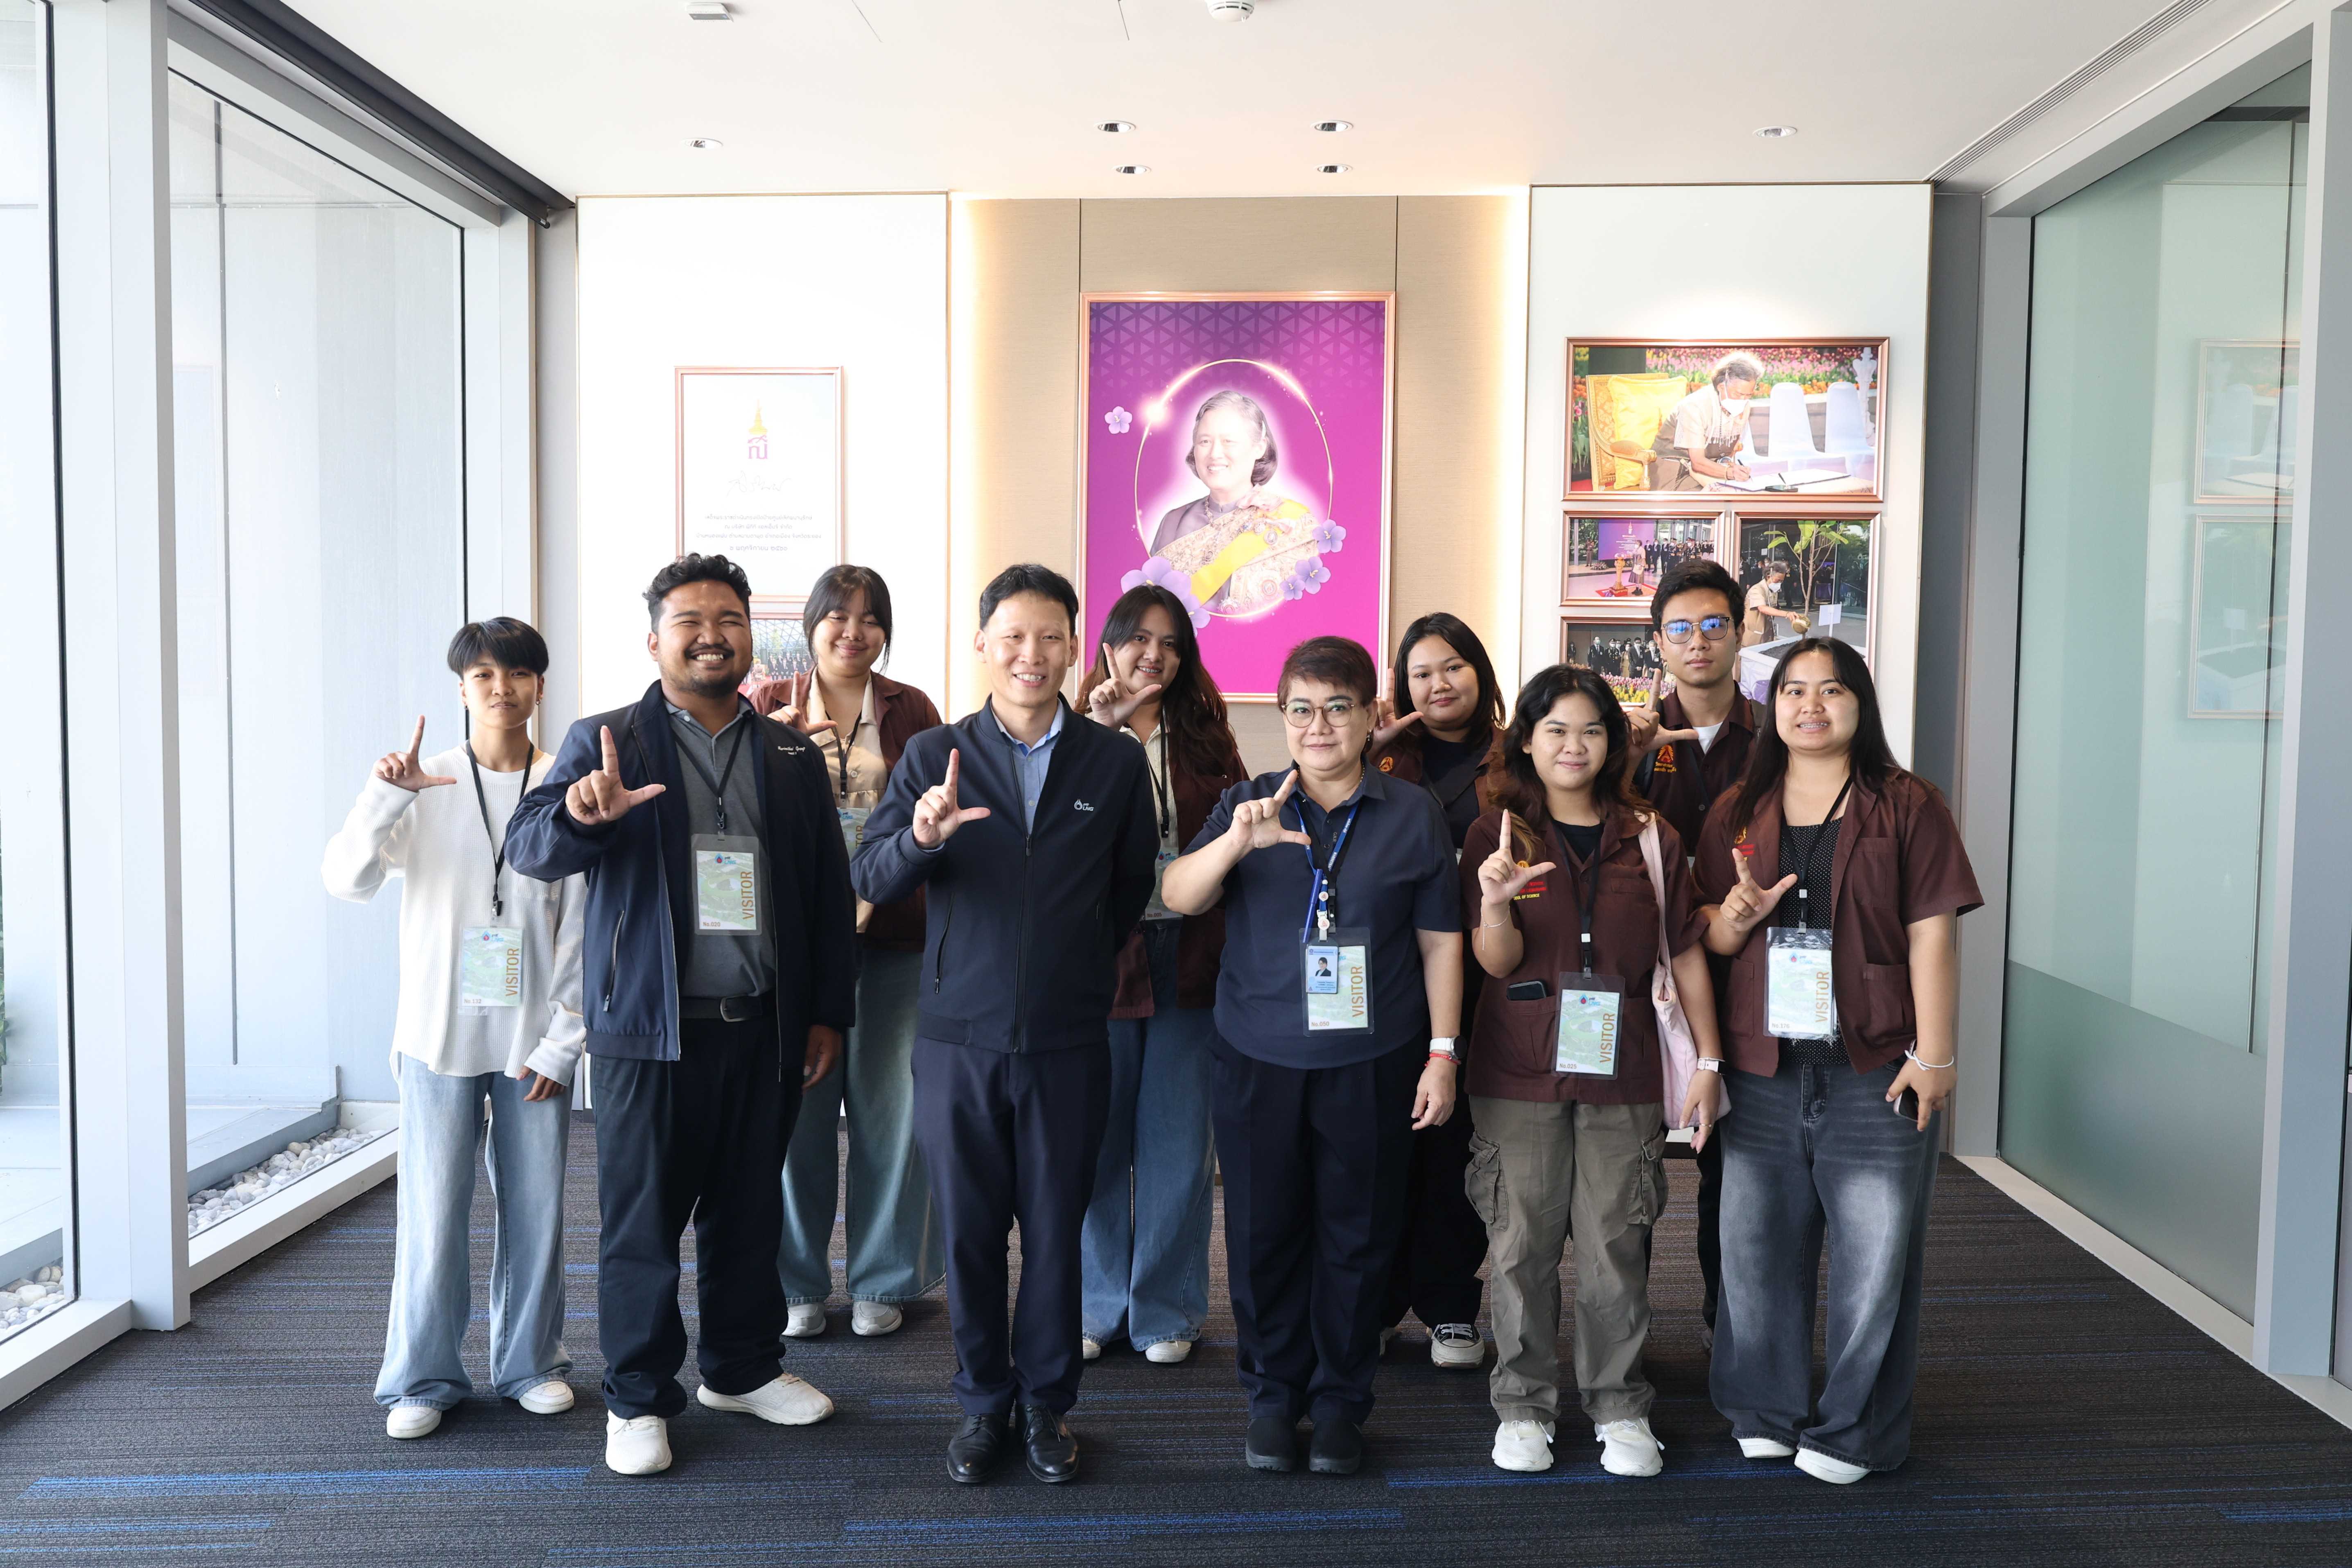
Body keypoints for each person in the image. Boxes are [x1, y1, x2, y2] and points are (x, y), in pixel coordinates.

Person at [506, 553, 857, 1479]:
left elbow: (825, 892)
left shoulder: (789, 753)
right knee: (642, 1225)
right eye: (690, 621)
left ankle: (741, 1369)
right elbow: (530, 847)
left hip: (764, 1027)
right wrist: (582, 814)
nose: (711, 636)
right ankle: (635, 1395)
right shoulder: (606, 739)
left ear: (750, 635)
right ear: (654, 640)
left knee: (748, 1214)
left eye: (729, 619)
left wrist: (827, 1012)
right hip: (647, 1033)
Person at [850, 563, 1158, 1487]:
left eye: (1050, 637)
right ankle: (984, 1402)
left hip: (1068, 1039)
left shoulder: (1112, 762)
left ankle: (1046, 1405)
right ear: (982, 644)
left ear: (1074, 648)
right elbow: (871, 876)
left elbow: (1128, 890)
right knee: (972, 1232)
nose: (1032, 654)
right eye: (1013, 636)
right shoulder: (934, 754)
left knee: (1058, 1229)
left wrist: (1071, 968)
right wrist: (923, 838)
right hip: (958, 1039)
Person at [1160, 635, 1464, 1477]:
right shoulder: (1248, 802)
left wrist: (1442, 1053)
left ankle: (1337, 1403)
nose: (1318, 725)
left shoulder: (1411, 812)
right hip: (1256, 1057)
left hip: (1372, 1059)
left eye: (1337, 708)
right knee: (1262, 1234)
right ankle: (1271, 1397)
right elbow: (1178, 895)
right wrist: (1236, 843)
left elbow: (1441, 942)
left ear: (1370, 717)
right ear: (1282, 717)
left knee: (1357, 1237)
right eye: (1301, 709)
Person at [1695, 638, 1981, 1485]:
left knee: (1875, 1258)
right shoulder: (1737, 809)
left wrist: (1936, 1053)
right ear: (1772, 706)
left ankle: (1855, 1428)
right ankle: (1763, 1409)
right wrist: (1735, 917)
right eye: (1793, 690)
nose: (1809, 706)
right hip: (1763, 1063)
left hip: (1874, 1063)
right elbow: (1709, 935)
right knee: (1754, 1248)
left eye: (1830, 690)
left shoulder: (1907, 803)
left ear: (1860, 702)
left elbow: (1933, 934)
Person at [1458, 664, 1726, 1480]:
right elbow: (1494, 961)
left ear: (1613, 741)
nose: (1573, 746)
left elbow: (1683, 950)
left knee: (1617, 1241)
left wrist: (1709, 1059)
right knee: (1520, 1245)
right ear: (1526, 742)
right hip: (1516, 1069)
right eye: (1556, 730)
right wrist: (1496, 903)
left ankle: (1618, 1404)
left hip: (1624, 1068)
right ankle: (1523, 1405)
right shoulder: (1496, 835)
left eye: (1590, 730)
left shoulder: (1650, 836)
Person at [323, 618, 583, 1441]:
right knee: (433, 1214)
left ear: (540, 684)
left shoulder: (565, 783)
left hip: (533, 1042)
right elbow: (345, 879)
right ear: (462, 690)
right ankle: (423, 1377)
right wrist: (385, 796)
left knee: (538, 1211)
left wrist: (564, 1041)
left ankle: (531, 1363)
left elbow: (581, 930)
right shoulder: (426, 782)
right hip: (438, 1037)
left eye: (517, 673)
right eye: (483, 676)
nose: (501, 688)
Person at [762, 566, 946, 1340]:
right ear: (811, 626)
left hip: (893, 939)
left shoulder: (914, 709)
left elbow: (937, 815)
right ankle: (796, 1282)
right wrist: (781, 754)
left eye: (871, 619)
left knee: (893, 1115)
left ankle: (883, 1277)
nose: (853, 632)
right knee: (794, 1117)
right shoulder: (769, 706)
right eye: (838, 616)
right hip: (798, 949)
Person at [1077, 583, 1249, 1368]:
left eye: (1171, 643)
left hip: (1191, 953)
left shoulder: (1207, 735)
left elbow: (1235, 837)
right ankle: (1096, 1303)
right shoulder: (1072, 730)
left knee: (1179, 1142)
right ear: (1108, 646)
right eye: (1139, 638)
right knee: (1095, 1139)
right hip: (1100, 956)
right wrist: (1098, 734)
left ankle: (1167, 1308)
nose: (1155, 654)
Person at [1615, 558, 1759, 1354]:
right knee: (1627, 1166)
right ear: (1658, 643)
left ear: (1740, 633)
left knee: (1736, 1167)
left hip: (1753, 971)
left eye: (1713, 626)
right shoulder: (1629, 739)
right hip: (1651, 979)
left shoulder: (1776, 733)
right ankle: (1620, 1339)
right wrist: (1624, 759)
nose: (1697, 642)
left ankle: (1728, 1327)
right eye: (1680, 629)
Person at [1365, 613, 1508, 1370]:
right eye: (1421, 672)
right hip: (1393, 973)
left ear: (1479, 670)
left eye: (1452, 666)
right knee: (1386, 1145)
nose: (1439, 683)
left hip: (1489, 976)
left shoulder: (1519, 756)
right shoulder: (1382, 757)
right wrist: (1366, 750)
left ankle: (1451, 1306)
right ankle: (1381, 1303)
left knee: (1459, 1147)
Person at [1146, 389, 1323, 617]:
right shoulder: (1173, 522)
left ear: (1259, 447)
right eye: (1205, 441)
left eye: (1228, 441)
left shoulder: (1294, 523)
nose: (1215, 453)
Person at [1649, 352, 1762, 490]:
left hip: (1709, 474)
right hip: (1673, 474)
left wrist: (1730, 467)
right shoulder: (1695, 407)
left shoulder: (1744, 406)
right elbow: (1698, 463)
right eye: (1738, 394)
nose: (1743, 400)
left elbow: (1727, 453)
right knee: (1725, 497)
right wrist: (1728, 472)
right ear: (1721, 387)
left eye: (1748, 395)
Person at [1743, 560, 1803, 646]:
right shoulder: (1757, 590)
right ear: (1769, 576)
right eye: (1777, 581)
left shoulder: (1773, 590)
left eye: (1782, 581)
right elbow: (1763, 608)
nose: (1779, 584)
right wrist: (1787, 614)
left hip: (1767, 635)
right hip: (1753, 638)